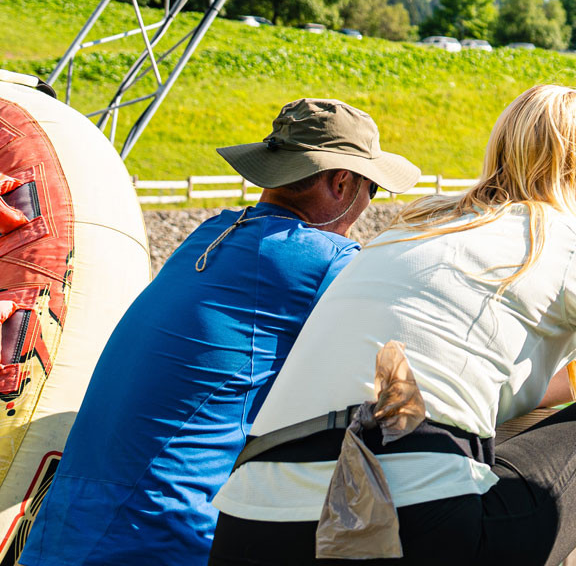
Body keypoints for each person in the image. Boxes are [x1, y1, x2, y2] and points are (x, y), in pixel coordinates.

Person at [208, 83, 576, 566]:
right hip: (408, 527)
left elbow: (447, 385)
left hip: (248, 525)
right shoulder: (572, 237)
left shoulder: (410, 226)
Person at [22, 98, 418, 566]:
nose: (368, 205)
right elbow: (400, 377)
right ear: (342, 181)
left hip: (60, 532)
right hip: (161, 536)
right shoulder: (325, 259)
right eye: (372, 188)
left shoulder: (209, 233)